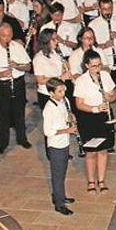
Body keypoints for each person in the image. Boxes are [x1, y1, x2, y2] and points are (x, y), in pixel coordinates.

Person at [0, 23, 32, 154]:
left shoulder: (17, 47)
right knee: (3, 115)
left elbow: (28, 67)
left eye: (9, 36)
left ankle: (22, 139)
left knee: (19, 112)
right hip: (1, 85)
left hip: (18, 82)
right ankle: (2, 143)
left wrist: (17, 66)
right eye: (4, 36)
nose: (6, 39)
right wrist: (1, 74)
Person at [74, 50, 116, 194]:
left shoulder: (105, 76)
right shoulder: (81, 80)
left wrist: (109, 97)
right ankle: (91, 182)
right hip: (88, 118)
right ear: (87, 65)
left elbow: (114, 95)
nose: (97, 69)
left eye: (99, 65)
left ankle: (102, 180)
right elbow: (79, 104)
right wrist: (95, 108)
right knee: (91, 152)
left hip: (104, 116)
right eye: (94, 66)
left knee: (103, 150)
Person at [42, 78, 77, 215]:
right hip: (56, 146)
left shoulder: (64, 101)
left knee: (62, 173)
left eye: (64, 90)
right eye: (60, 91)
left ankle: (60, 195)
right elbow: (48, 132)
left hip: (65, 142)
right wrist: (67, 131)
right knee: (57, 175)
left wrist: (71, 116)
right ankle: (59, 204)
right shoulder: (49, 109)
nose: (63, 93)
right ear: (51, 93)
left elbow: (66, 116)